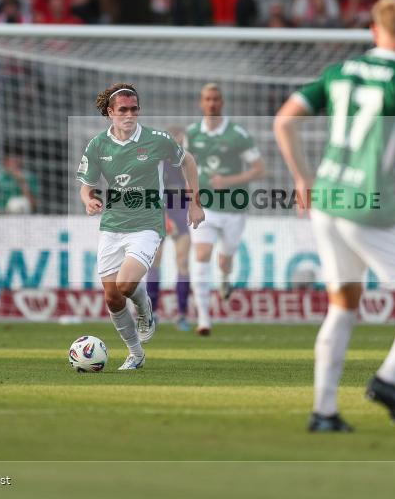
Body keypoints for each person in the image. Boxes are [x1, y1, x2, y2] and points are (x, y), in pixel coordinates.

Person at [275, 0, 395, 433]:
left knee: (342, 305)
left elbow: (284, 121)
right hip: (369, 205)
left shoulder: (339, 71)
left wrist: (303, 178)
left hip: (326, 200)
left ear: (373, 30)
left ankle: (324, 412)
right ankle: (388, 380)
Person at [77, 83, 204, 370]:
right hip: (112, 226)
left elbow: (189, 161)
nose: (129, 114)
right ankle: (135, 353)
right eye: (123, 109)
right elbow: (87, 185)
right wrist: (88, 200)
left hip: (147, 223)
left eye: (134, 109)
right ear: (110, 112)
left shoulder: (157, 139)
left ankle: (145, 307)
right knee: (112, 296)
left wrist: (195, 202)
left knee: (125, 285)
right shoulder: (98, 145)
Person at [186, 83, 265, 335]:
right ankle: (204, 319)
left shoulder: (237, 134)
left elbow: (259, 168)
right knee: (201, 255)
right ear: (201, 102)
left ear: (222, 102)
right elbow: (185, 166)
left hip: (233, 207)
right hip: (205, 207)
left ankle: (224, 279)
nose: (211, 103)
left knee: (226, 257)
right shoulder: (191, 134)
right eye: (207, 99)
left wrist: (228, 182)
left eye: (216, 99)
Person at [145, 125, 193, 332]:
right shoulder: (157, 160)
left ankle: (181, 314)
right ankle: (151, 313)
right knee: (155, 260)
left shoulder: (186, 160)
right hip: (160, 209)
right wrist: (163, 214)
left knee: (182, 260)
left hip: (180, 209)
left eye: (179, 137)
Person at [0, 143, 39, 214]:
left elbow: (34, 205)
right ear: (4, 161)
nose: (14, 162)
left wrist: (22, 182)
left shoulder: (30, 178)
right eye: (11, 159)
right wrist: (7, 212)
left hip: (25, 219)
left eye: (17, 159)